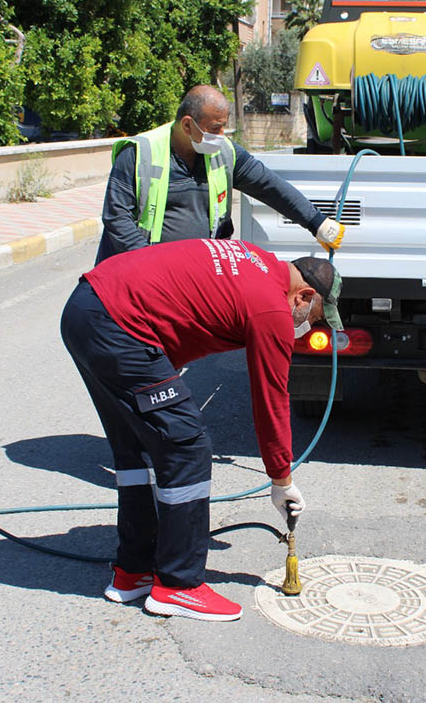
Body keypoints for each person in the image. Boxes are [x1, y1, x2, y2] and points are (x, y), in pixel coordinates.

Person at [60, 237, 343, 620]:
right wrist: (281, 479)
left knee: (138, 445)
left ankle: (134, 572)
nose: (310, 327)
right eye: (316, 317)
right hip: (118, 323)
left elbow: (185, 310)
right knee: (186, 444)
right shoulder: (272, 309)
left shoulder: (253, 259)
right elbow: (271, 400)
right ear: (303, 296)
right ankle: (178, 586)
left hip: (87, 307)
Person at [96, 85, 345, 262]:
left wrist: (317, 223)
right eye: (215, 128)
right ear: (187, 124)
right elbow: (117, 218)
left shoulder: (224, 153)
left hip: (197, 277)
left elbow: (270, 186)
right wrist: (152, 266)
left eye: (224, 126)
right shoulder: (140, 153)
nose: (222, 135)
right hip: (139, 275)